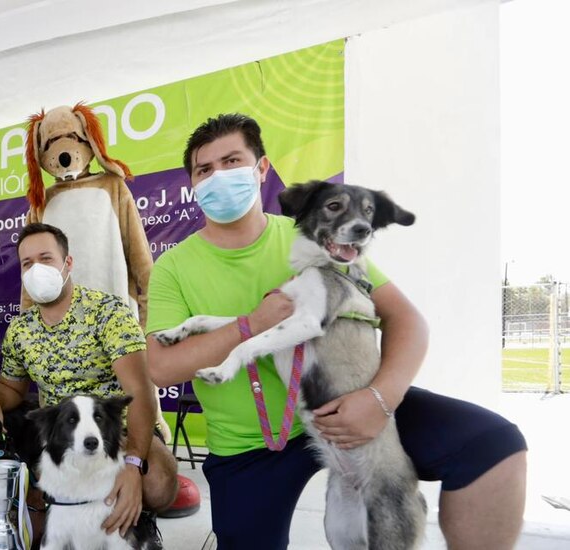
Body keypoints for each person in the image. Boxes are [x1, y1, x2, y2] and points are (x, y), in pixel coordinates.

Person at [144, 113, 528, 549]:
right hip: (252, 442)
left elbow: (407, 320)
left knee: (494, 444)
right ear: (192, 183)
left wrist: (380, 399)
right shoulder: (174, 266)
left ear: (261, 169)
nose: (219, 177)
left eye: (232, 162)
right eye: (205, 170)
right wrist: (252, 324)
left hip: (351, 406)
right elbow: (162, 367)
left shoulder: (315, 235)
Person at [0, 223, 177, 540]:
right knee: (37, 535)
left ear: (67, 264)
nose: (36, 269)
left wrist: (134, 465)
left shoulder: (107, 312)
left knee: (160, 484)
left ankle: (138, 515)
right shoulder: (20, 329)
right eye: (27, 263)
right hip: (59, 438)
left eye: (46, 258)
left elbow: (139, 391)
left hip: (115, 430)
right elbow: (11, 387)